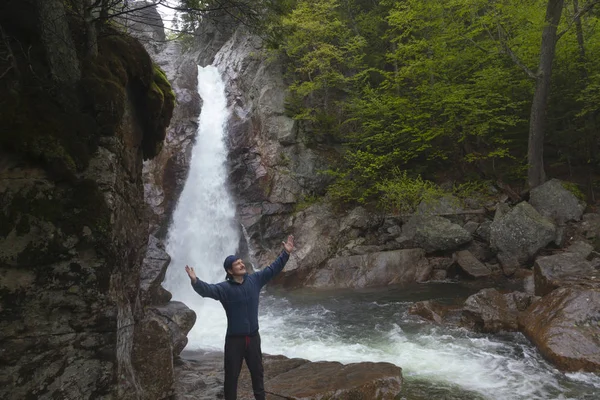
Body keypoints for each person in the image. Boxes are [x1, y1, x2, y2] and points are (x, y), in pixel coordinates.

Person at [184, 235, 294, 400]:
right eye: (237, 264)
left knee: (258, 374)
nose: (242, 264)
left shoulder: (255, 280)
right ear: (230, 270)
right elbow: (206, 290)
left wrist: (285, 253)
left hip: (253, 338)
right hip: (235, 340)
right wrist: (195, 281)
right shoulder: (224, 288)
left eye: (241, 262)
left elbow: (273, 269)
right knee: (231, 377)